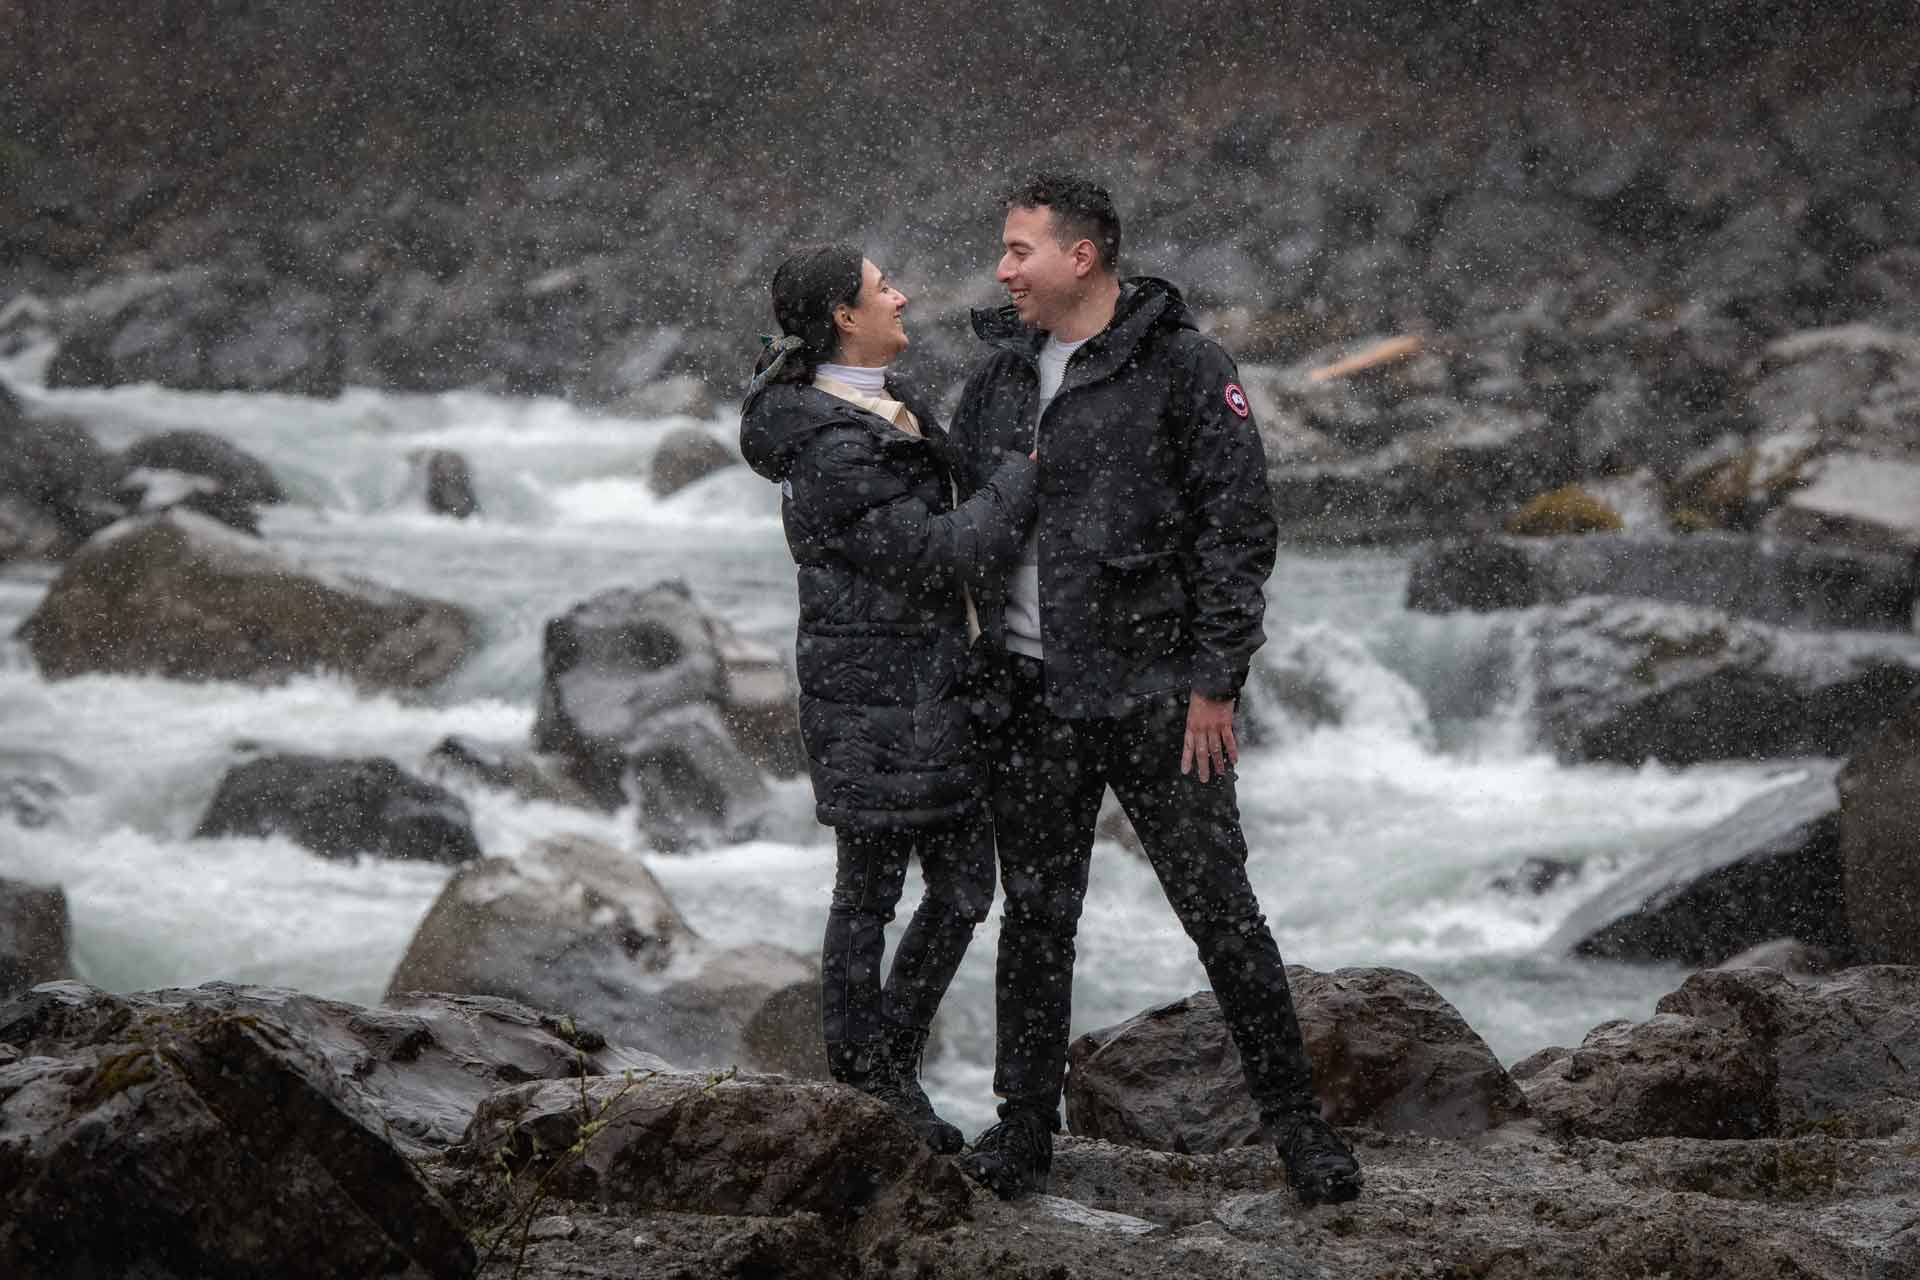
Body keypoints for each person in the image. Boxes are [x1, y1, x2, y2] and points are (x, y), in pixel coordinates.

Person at [946, 175, 1364, 1205]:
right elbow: (955, 519)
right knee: (1037, 919)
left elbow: (1239, 528)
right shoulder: (997, 375)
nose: (1002, 270)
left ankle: (1300, 1132)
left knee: (1222, 914)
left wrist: (1217, 679)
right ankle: (1021, 1129)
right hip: (1032, 696)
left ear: (1081, 255)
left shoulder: (1185, 366)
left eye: (1019, 250)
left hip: (1159, 698)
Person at [740, 245, 1038, 1152]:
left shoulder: (880, 407)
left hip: (931, 690)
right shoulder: (831, 441)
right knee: (869, 891)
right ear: (842, 316)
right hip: (873, 696)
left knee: (959, 888)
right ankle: (867, 1076)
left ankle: (891, 1062)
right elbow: (939, 555)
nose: (902, 294)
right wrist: (1029, 473)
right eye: (882, 289)